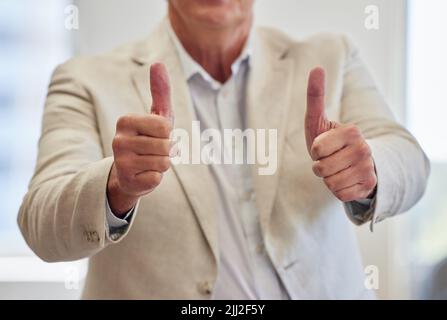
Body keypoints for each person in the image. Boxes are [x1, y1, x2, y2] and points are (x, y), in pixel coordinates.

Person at [18, 0, 430, 299]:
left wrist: (370, 168)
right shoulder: (84, 80)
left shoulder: (332, 56)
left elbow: (410, 160)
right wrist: (113, 187)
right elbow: (41, 224)